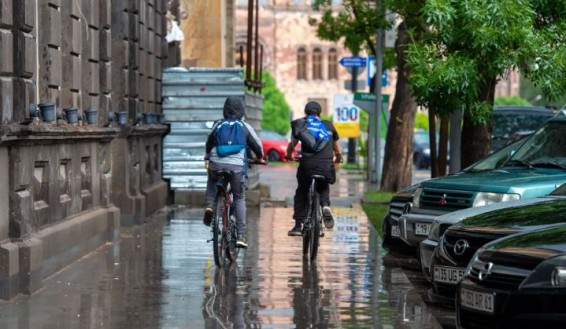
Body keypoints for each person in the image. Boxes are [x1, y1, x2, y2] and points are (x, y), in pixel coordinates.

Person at [203, 96, 265, 248]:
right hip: (236, 167)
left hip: (216, 164)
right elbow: (257, 146)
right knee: (239, 198)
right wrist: (260, 157)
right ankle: (241, 235)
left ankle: (210, 205)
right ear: (241, 111)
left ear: (225, 110)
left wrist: (207, 155)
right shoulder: (244, 126)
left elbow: (209, 141)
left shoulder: (218, 124)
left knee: (212, 180)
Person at [285, 101, 343, 236]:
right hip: (325, 166)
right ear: (320, 114)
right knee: (324, 185)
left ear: (305, 113)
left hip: (307, 166)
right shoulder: (328, 125)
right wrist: (338, 159)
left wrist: (289, 156)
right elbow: (338, 151)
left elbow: (291, 146)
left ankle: (298, 226)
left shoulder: (301, 124)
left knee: (301, 192)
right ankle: (325, 206)